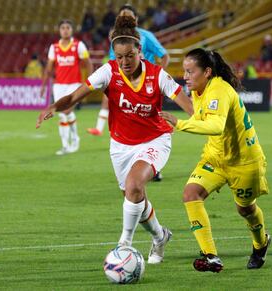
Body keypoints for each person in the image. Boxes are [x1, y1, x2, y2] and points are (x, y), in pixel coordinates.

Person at [36, 15, 193, 264]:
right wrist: (54, 106)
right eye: (119, 57)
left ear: (140, 51)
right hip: (121, 145)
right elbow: (77, 95)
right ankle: (160, 236)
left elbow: (189, 106)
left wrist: (202, 123)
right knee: (133, 196)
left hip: (155, 140)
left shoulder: (157, 75)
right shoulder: (109, 71)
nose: (124, 62)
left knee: (134, 185)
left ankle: (124, 245)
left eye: (129, 55)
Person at [160, 48, 270, 272]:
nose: (186, 76)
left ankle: (261, 243)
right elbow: (202, 119)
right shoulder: (198, 91)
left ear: (207, 72)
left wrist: (179, 124)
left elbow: (216, 126)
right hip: (215, 157)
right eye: (185, 72)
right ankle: (211, 256)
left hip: (245, 161)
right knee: (191, 194)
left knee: (246, 210)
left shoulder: (219, 90)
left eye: (191, 72)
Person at [87, 4, 170, 182]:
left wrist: (158, 78)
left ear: (136, 19)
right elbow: (113, 60)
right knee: (128, 122)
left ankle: (153, 165)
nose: (126, 18)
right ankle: (102, 130)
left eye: (129, 15)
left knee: (150, 122)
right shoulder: (116, 39)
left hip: (146, 86)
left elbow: (164, 55)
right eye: (123, 15)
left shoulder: (147, 36)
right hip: (124, 82)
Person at [40, 19, 93, 155]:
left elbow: (88, 64)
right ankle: (66, 145)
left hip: (74, 85)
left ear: (72, 30)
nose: (65, 30)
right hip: (59, 86)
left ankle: (74, 140)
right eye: (62, 27)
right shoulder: (54, 48)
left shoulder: (78, 45)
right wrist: (44, 85)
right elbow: (48, 69)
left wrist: (91, 81)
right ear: (59, 30)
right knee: (63, 116)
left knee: (66, 111)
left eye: (68, 27)